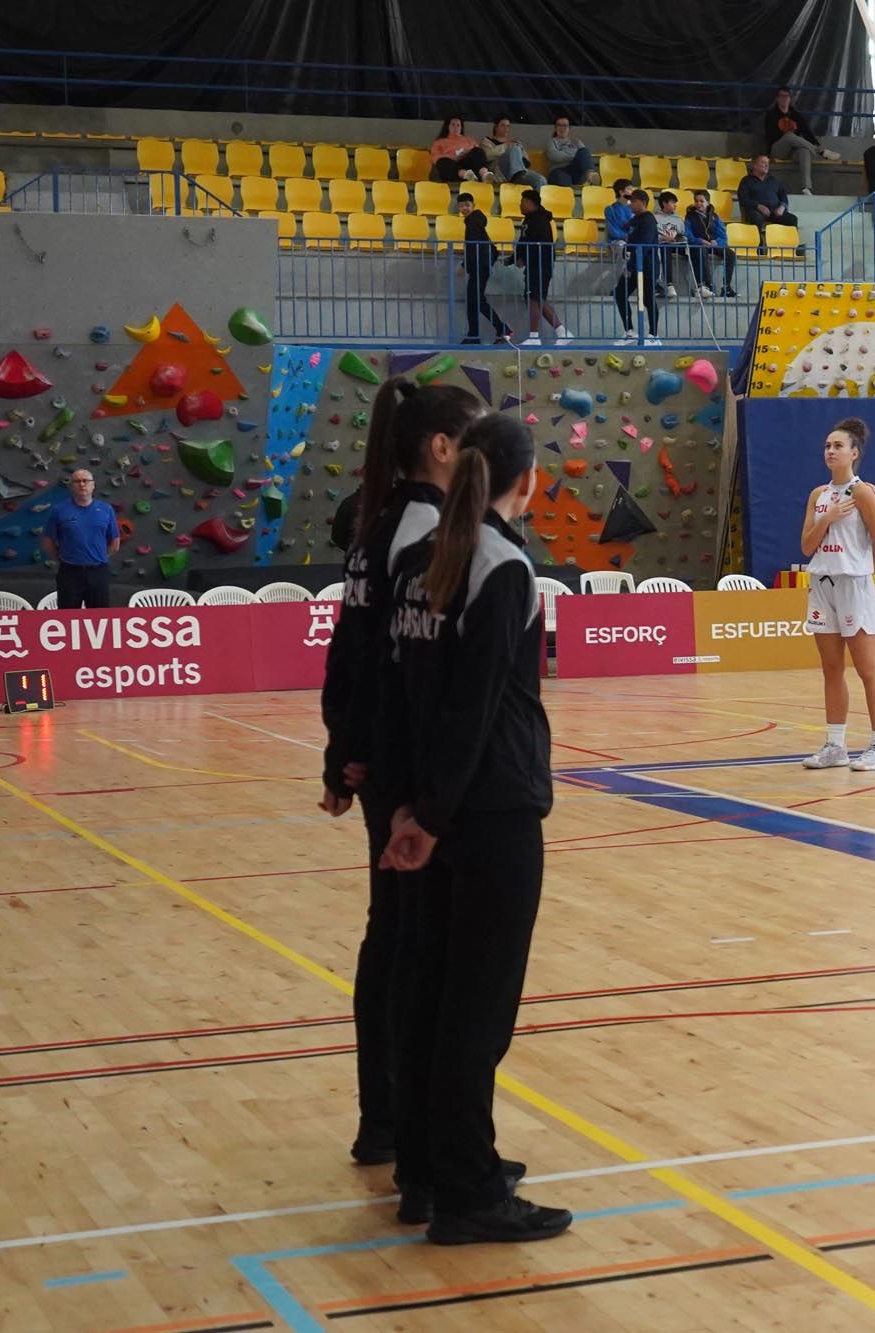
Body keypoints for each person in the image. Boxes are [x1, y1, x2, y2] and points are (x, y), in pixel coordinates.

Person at [381, 412, 572, 1244]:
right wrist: (431, 813)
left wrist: (409, 804)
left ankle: (430, 1165)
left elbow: (406, 698)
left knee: (430, 996)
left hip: (438, 807)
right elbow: (475, 707)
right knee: (475, 1012)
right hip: (488, 814)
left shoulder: (419, 562)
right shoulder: (503, 567)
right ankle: (468, 1191)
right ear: (524, 482)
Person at [318, 377, 483, 1172]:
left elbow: (345, 652)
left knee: (395, 940)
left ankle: (392, 1120)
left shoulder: (379, 517)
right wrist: (365, 755)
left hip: (383, 756)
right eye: (474, 437)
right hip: (403, 765)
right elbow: (381, 660)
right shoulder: (416, 525)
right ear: (443, 447)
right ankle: (398, 1124)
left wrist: (343, 749)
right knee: (405, 947)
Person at [799, 417, 875, 771]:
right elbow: (807, 546)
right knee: (832, 668)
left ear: (854, 453)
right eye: (827, 446)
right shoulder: (818, 496)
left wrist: (863, 573)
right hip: (822, 584)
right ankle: (835, 745)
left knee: (868, 668)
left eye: (838, 446)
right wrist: (828, 518)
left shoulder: (863, 492)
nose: (831, 451)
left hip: (854, 584)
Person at [40, 469, 120, 608]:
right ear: (72, 486)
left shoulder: (106, 509)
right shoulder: (59, 510)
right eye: (77, 481)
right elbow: (48, 542)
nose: (82, 484)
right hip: (69, 573)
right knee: (67, 619)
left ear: (93, 485)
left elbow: (115, 542)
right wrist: (62, 558)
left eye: (86, 481)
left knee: (99, 619)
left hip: (98, 572)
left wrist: (100, 557)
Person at [456, 192, 512, 344]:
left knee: (476, 301)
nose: (464, 208)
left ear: (473, 206)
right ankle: (476, 334)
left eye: (467, 205)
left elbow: (473, 247)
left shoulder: (472, 222)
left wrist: (464, 265)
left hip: (478, 267)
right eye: (461, 206)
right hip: (481, 267)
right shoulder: (475, 222)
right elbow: (488, 248)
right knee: (474, 300)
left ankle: (499, 329)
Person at [763, 86, 841, 194]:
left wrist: (813, 143)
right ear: (777, 98)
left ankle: (806, 188)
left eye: (787, 96)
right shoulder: (771, 114)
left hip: (792, 150)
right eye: (782, 96)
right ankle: (821, 151)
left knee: (804, 151)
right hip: (777, 149)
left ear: (790, 99)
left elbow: (807, 132)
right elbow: (771, 136)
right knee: (789, 136)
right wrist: (792, 138)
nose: (784, 99)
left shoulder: (795, 114)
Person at [513, 190, 566, 346]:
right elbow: (523, 242)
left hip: (541, 264)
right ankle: (562, 331)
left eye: (522, 202)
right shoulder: (528, 220)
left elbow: (538, 245)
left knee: (534, 298)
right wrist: (513, 258)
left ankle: (534, 336)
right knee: (537, 298)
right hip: (534, 264)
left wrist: (524, 258)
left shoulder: (539, 220)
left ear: (530, 203)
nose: (520, 205)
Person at [614, 189, 662, 344]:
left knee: (648, 299)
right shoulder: (635, 220)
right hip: (633, 266)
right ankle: (629, 332)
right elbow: (626, 233)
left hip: (647, 266)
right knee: (620, 293)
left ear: (642, 202)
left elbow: (645, 245)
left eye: (633, 201)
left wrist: (632, 264)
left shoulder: (648, 220)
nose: (630, 204)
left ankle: (654, 336)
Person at [684, 188, 736, 298]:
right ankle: (706, 286)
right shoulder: (689, 217)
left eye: (701, 201)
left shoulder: (715, 217)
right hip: (699, 245)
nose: (698, 204)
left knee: (731, 254)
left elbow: (723, 236)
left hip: (713, 245)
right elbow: (688, 235)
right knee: (701, 250)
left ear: (707, 202)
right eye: (696, 201)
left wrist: (716, 242)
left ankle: (726, 287)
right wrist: (700, 241)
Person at [737, 156, 799, 246]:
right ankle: (759, 246)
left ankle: (792, 246)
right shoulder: (746, 181)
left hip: (775, 212)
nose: (766, 165)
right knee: (756, 218)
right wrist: (758, 206)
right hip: (756, 211)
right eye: (763, 163)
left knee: (792, 219)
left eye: (768, 163)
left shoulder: (773, 180)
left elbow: (783, 195)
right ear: (755, 165)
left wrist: (782, 206)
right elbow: (743, 199)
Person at [480, 119, 544, 188]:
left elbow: (527, 162)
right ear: (496, 127)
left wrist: (520, 150)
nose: (506, 128)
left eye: (508, 126)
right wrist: (506, 145)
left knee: (541, 180)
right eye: (503, 125)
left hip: (521, 172)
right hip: (499, 172)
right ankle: (516, 175)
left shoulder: (514, 142)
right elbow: (487, 156)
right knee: (514, 148)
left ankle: (518, 176)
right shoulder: (486, 141)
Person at [428, 116, 488, 184]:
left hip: (468, 164)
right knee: (442, 161)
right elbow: (434, 158)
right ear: (447, 126)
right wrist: (453, 158)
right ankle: (466, 175)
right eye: (453, 125)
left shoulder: (469, 139)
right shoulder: (439, 142)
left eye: (458, 125)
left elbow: (479, 154)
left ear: (461, 127)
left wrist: (466, 153)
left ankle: (485, 174)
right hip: (453, 168)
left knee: (478, 150)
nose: (456, 127)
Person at [544, 115, 593, 188]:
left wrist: (568, 155)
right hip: (559, 170)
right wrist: (575, 156)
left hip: (575, 170)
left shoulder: (576, 142)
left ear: (569, 128)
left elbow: (584, 155)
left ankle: (590, 174)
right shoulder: (551, 142)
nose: (562, 128)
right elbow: (554, 156)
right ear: (555, 128)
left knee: (584, 150)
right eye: (559, 125)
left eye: (565, 126)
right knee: (563, 182)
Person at [653, 191, 685, 297]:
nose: (675, 205)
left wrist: (680, 238)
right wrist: (663, 237)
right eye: (672, 202)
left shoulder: (679, 219)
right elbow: (651, 235)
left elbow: (684, 235)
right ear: (664, 203)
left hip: (678, 244)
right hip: (663, 244)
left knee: (696, 250)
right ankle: (668, 284)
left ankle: (702, 285)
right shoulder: (654, 218)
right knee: (665, 248)